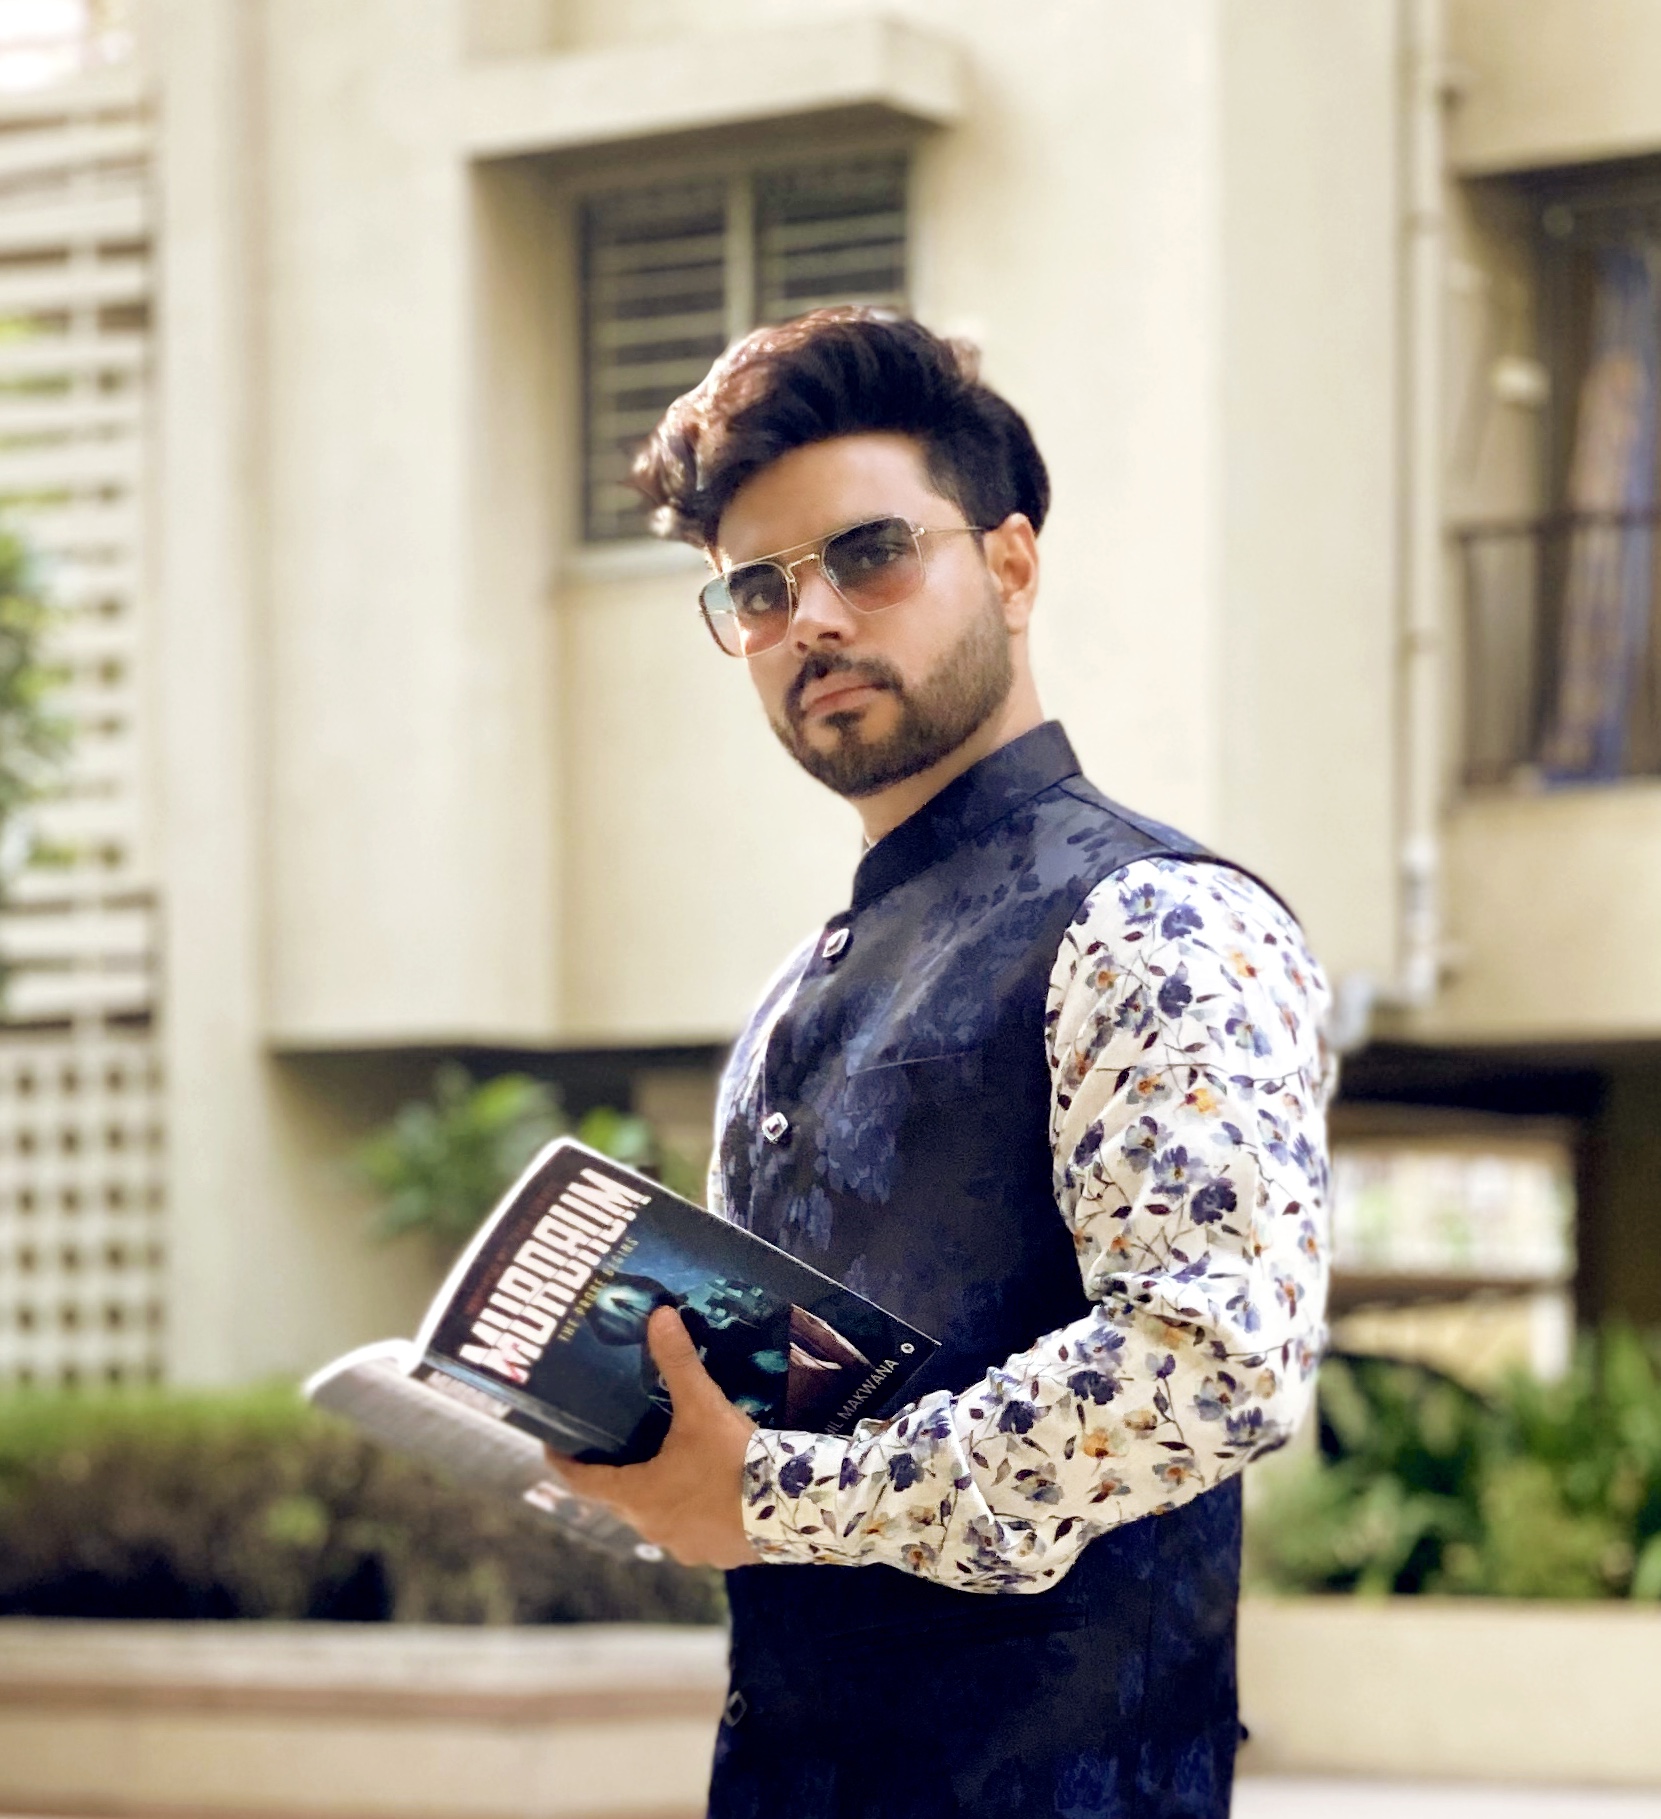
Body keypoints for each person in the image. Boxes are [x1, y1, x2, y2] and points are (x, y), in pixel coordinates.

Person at [556, 309, 1332, 1819]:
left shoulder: (1148, 918)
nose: (813, 622)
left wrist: (772, 1500)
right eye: (758, 590)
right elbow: (763, 1450)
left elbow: (1207, 1365)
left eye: (868, 555)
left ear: (1012, 565)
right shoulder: (796, 997)